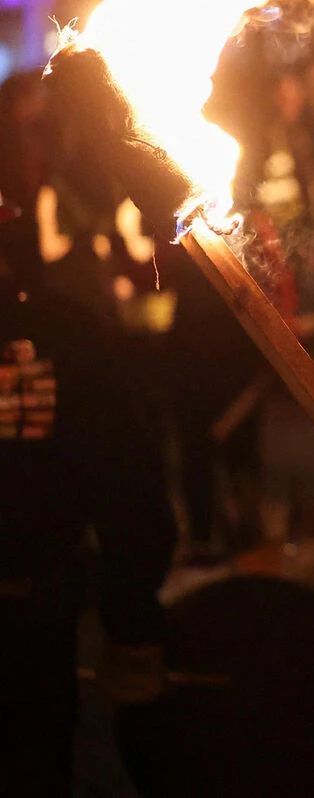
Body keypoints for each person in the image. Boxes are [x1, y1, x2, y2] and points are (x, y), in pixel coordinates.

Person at [0, 190, 175, 797]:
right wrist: (133, 621)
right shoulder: (66, 334)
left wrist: (131, 616)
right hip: (29, 617)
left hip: (29, 606)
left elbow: (125, 480)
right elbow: (128, 486)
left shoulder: (65, 336)